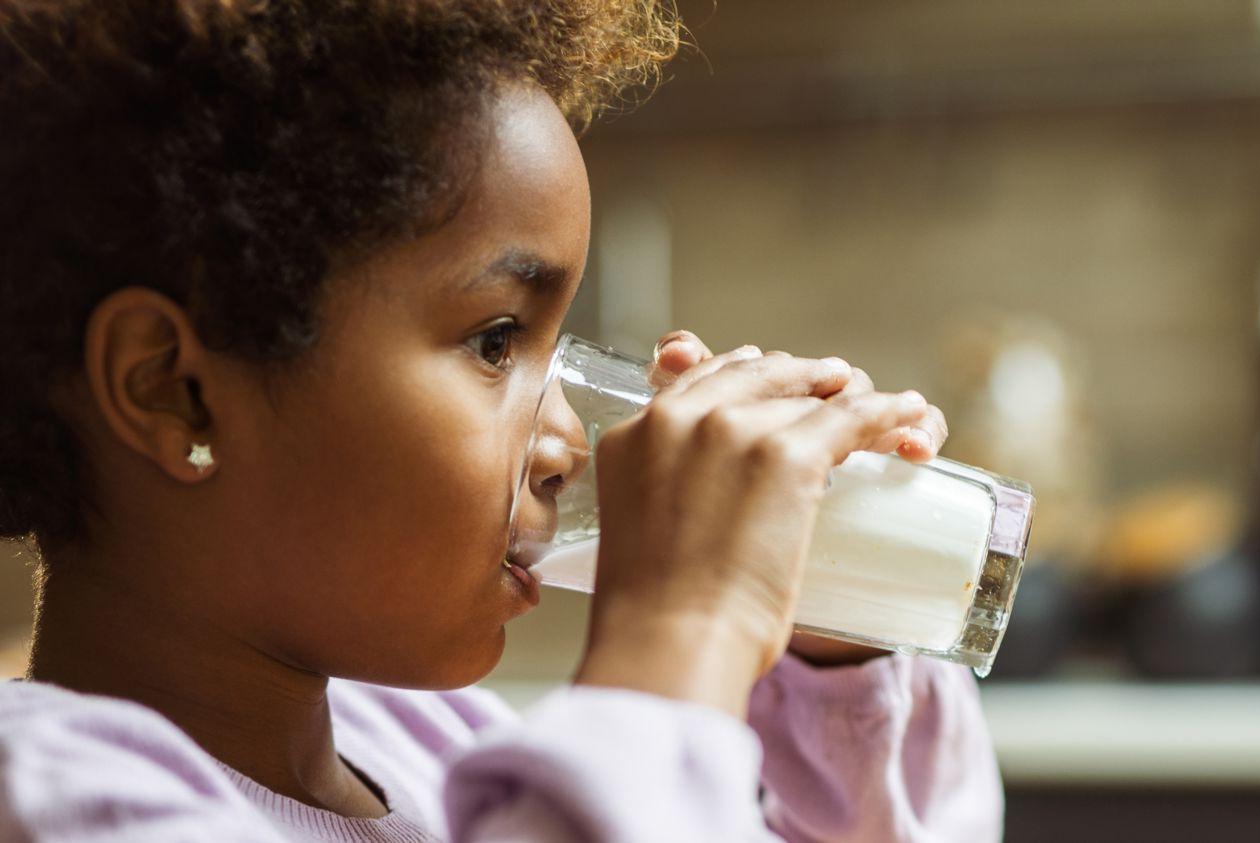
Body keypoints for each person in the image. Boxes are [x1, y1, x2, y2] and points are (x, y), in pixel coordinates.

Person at [0, 2, 1003, 841]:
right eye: (494, 341)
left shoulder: (435, 745)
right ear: (173, 390)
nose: (570, 441)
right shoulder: (55, 793)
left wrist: (824, 656)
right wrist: (682, 628)